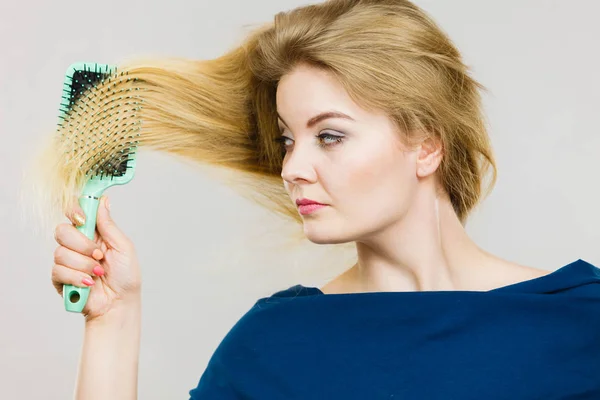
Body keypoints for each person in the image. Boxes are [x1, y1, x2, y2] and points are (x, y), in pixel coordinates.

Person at [49, 0, 600, 398]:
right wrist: (112, 320)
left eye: (329, 136)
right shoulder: (274, 344)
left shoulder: (583, 319)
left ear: (427, 146)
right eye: (288, 140)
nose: (292, 168)